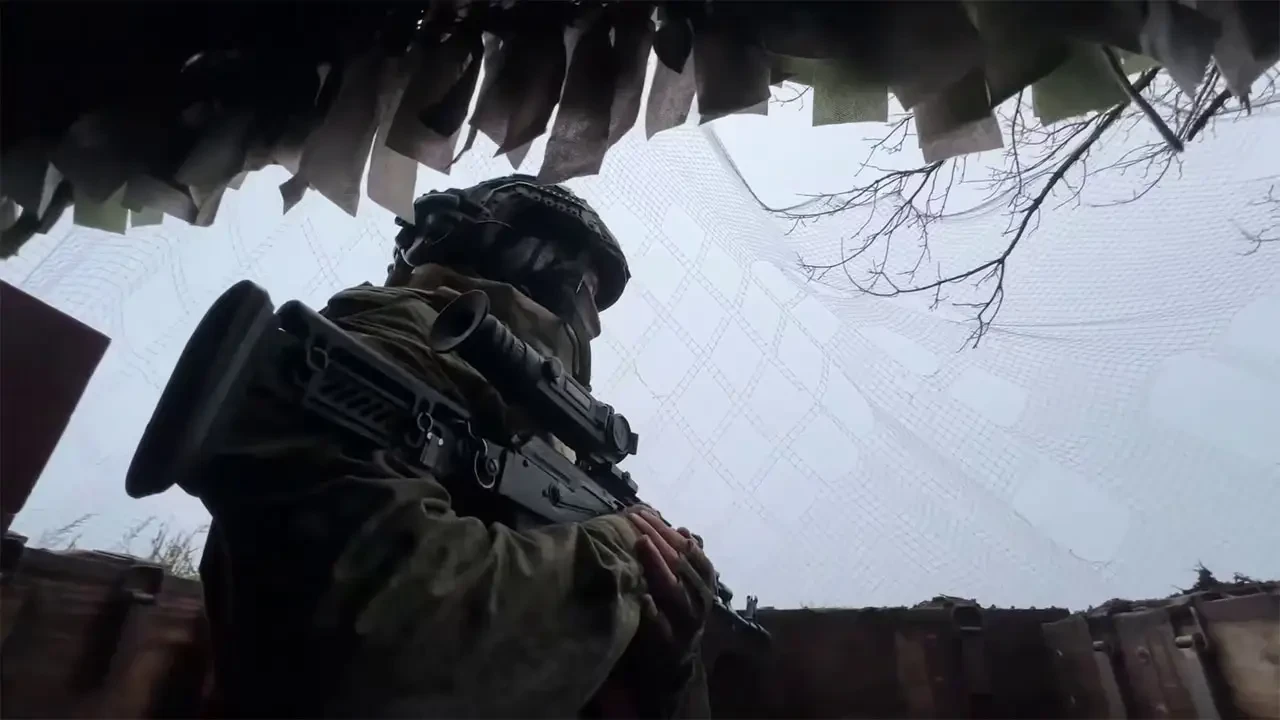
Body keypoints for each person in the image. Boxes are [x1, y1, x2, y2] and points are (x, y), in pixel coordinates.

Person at [190, 175, 718, 717]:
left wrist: (663, 665)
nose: (589, 323)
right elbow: (368, 635)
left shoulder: (551, 432)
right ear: (534, 260)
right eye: (583, 290)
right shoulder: (398, 341)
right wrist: (625, 556)